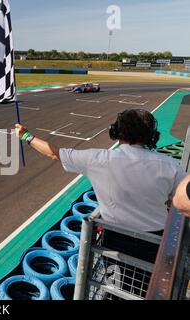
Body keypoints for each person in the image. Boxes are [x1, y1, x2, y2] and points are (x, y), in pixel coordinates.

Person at [15, 109, 187, 264]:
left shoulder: (98, 159)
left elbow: (54, 153)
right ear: (151, 136)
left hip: (116, 241)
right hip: (157, 241)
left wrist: (26, 136)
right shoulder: (170, 165)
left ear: (116, 132)